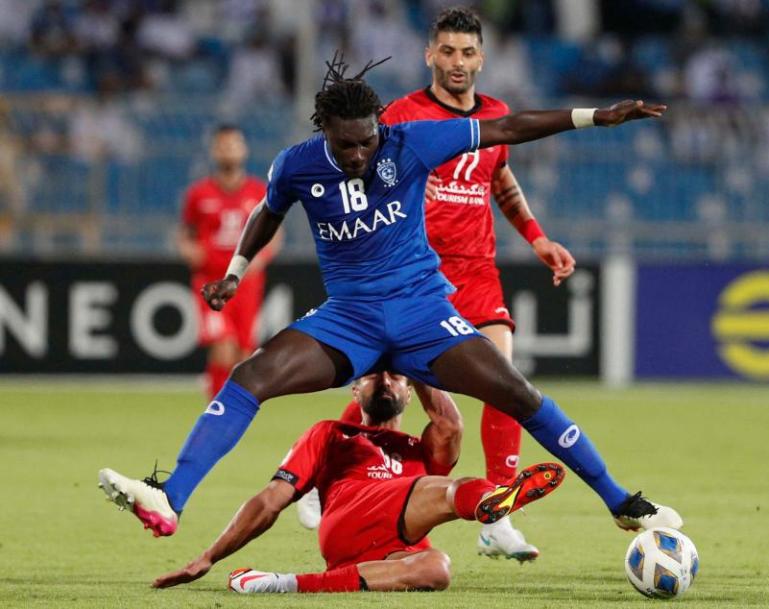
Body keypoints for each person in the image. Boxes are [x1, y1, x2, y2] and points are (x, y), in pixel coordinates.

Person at [98, 52, 682, 540]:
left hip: (422, 313)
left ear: (379, 125)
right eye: (346, 146)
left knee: (517, 393)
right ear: (324, 133)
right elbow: (265, 212)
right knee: (250, 377)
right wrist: (237, 268)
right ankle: (170, 497)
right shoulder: (296, 166)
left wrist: (596, 116)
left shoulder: (412, 144)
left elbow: (508, 128)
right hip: (348, 320)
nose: (358, 156)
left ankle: (620, 502)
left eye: (366, 142)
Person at [303, 7, 576, 561]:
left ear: (482, 58)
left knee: (504, 378)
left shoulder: (495, 116)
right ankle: (321, 479)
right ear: (430, 54)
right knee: (386, 394)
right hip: (412, 272)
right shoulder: (402, 115)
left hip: (476, 268)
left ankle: (499, 514)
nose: (457, 62)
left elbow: (499, 176)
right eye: (447, 51)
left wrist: (537, 237)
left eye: (468, 53)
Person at [151, 371, 566, 594]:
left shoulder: (419, 446)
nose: (385, 381)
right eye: (372, 376)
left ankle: (284, 584)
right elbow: (270, 500)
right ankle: (492, 504)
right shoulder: (330, 434)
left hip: (393, 545)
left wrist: (418, 364)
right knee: (450, 488)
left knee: (437, 569)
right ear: (354, 388)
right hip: (350, 515)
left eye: (396, 378)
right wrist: (210, 556)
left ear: (409, 393)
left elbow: (450, 423)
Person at [177, 124, 276, 399]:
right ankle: (217, 411)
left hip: (247, 282)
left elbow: (274, 231)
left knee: (244, 352)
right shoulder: (199, 194)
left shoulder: (258, 191)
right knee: (223, 346)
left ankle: (230, 405)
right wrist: (189, 250)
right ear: (214, 151)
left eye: (233, 144)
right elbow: (185, 233)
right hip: (211, 279)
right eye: (222, 145)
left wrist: (264, 256)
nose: (228, 150)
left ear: (243, 149)